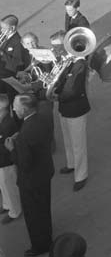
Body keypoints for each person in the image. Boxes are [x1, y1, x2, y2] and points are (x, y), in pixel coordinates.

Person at [7, 93, 54, 256]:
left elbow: (24, 163)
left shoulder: (25, 134)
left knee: (33, 215)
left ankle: (40, 246)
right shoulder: (43, 118)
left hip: (31, 181)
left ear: (25, 110)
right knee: (44, 208)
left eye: (16, 107)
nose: (14, 109)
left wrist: (12, 149)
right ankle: (47, 235)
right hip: (45, 172)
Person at [54, 38, 91, 191]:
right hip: (65, 108)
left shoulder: (80, 65)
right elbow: (61, 81)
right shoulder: (69, 62)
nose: (60, 50)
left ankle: (81, 175)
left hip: (75, 109)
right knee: (68, 139)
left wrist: (57, 96)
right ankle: (71, 164)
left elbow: (73, 90)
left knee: (78, 144)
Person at [0, 94, 21, 224]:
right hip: (2, 161)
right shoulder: (3, 120)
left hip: (6, 162)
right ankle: (7, 205)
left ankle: (15, 210)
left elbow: (7, 146)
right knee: (3, 185)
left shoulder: (7, 124)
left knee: (9, 186)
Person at [0, 14, 30, 101]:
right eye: (1, 27)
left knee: (10, 101)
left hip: (9, 78)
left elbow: (16, 64)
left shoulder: (18, 42)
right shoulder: (3, 35)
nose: (1, 30)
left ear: (12, 28)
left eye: (4, 28)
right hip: (2, 74)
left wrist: (2, 53)